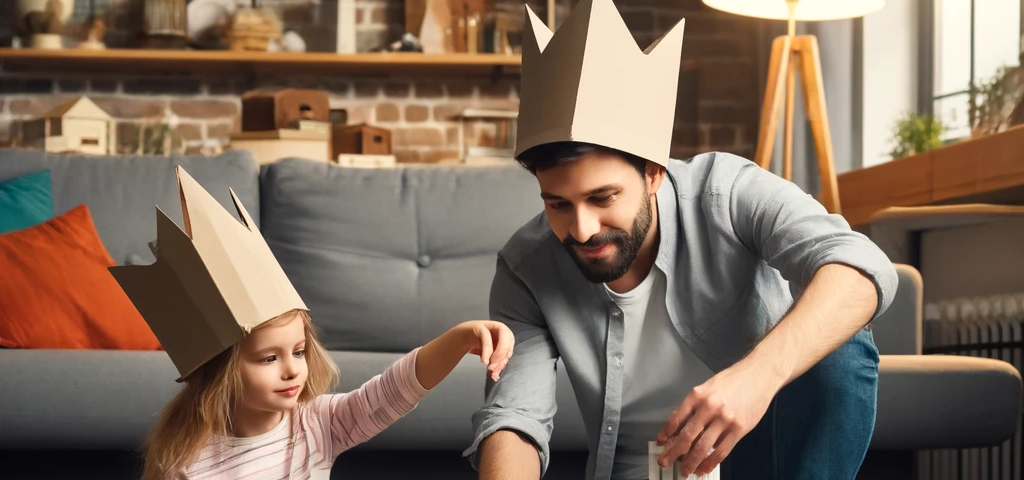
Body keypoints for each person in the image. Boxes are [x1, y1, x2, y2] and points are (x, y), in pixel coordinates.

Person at [462, 0, 898, 479]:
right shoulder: (526, 266)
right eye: (558, 203)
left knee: (842, 343)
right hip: (641, 473)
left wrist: (755, 378)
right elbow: (514, 418)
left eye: (603, 197)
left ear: (653, 173)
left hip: (762, 462)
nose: (582, 228)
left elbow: (859, 267)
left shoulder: (726, 191)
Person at [110, 166, 515, 480]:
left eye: (299, 351)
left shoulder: (316, 424)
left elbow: (395, 389)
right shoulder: (188, 461)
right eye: (268, 358)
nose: (292, 369)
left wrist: (459, 337)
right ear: (222, 370)